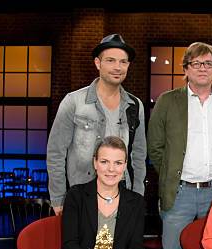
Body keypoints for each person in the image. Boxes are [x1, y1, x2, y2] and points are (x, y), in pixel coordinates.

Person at [148, 42, 212, 249]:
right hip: (179, 193)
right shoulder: (167, 101)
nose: (202, 68)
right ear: (186, 68)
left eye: (208, 63)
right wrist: (171, 174)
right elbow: (155, 146)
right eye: (196, 63)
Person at [47, 34, 146, 215]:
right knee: (81, 244)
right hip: (81, 196)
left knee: (119, 244)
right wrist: (59, 199)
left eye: (123, 62)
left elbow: (139, 155)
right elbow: (55, 153)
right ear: (97, 63)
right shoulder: (74, 102)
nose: (118, 67)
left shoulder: (135, 105)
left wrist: (137, 195)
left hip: (123, 195)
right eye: (110, 60)